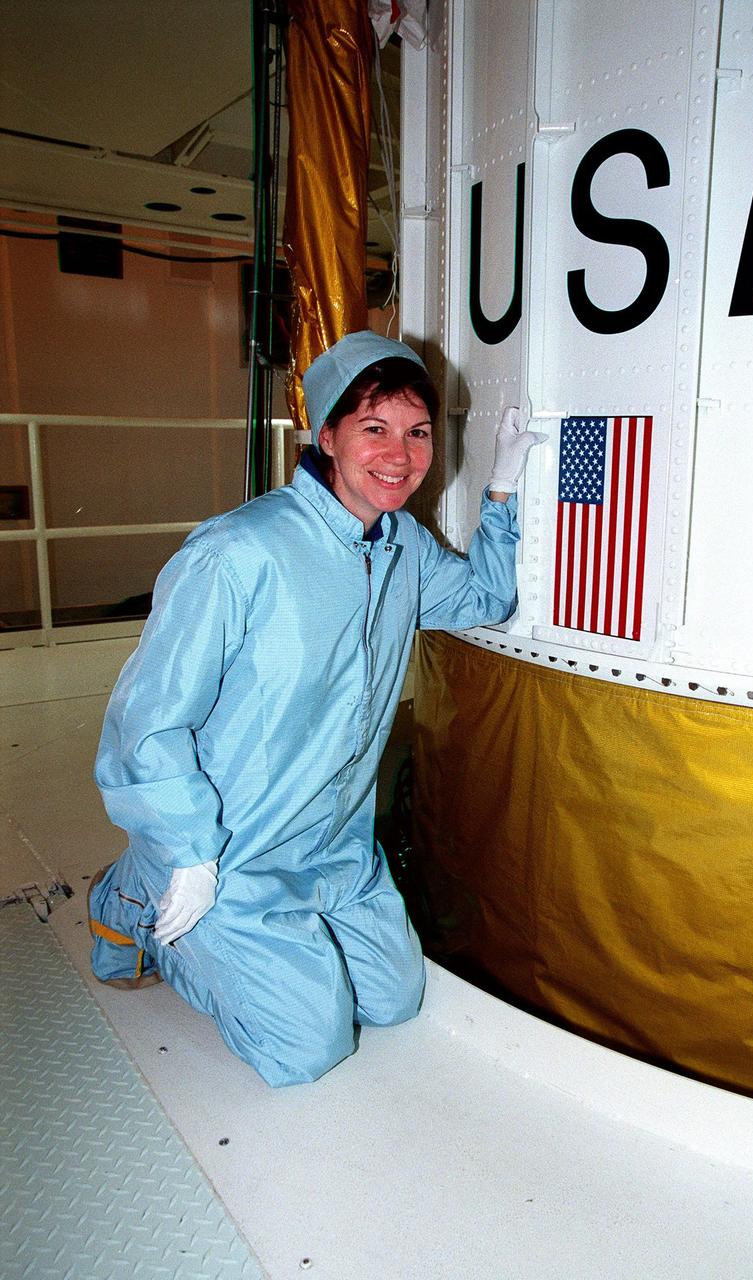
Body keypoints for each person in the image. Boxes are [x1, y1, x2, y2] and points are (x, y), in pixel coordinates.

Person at [87, 330, 545, 1086]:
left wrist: (500, 491)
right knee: (305, 1049)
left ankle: (247, 925)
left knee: (395, 1002)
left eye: (417, 431)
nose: (399, 453)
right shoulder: (236, 555)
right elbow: (147, 723)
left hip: (336, 850)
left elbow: (483, 598)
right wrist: (192, 855)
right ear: (325, 434)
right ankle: (136, 891)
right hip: (233, 854)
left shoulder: (401, 546)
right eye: (373, 427)